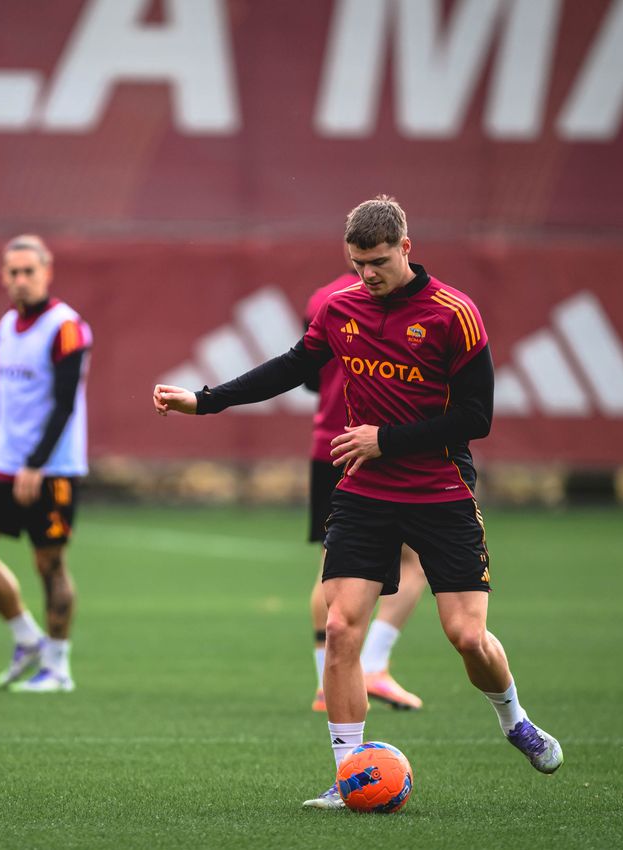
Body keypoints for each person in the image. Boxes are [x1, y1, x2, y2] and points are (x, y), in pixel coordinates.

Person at [153, 196, 562, 809]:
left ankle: (514, 720)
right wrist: (205, 400)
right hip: (365, 493)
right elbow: (292, 367)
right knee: (341, 627)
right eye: (355, 263)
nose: (366, 274)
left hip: (441, 491)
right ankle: (351, 776)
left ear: (406, 248)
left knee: (466, 637)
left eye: (376, 261)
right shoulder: (339, 307)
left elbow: (476, 417)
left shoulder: (455, 315)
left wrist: (385, 439)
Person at [0, 234, 91, 694]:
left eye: (29, 271)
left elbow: (65, 403)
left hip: (49, 468)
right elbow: (3, 398)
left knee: (48, 564)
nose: (21, 280)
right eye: (13, 272)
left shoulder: (66, 327)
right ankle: (25, 638)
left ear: (47, 272)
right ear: (3, 277)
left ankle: (58, 667)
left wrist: (36, 463)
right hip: (2, 461)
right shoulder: (6, 325)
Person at [303, 272, 427, 714]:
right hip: (379, 444)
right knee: (414, 560)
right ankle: (372, 664)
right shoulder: (420, 305)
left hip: (329, 444)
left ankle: (326, 683)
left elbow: (309, 378)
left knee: (332, 563)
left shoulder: (324, 296)